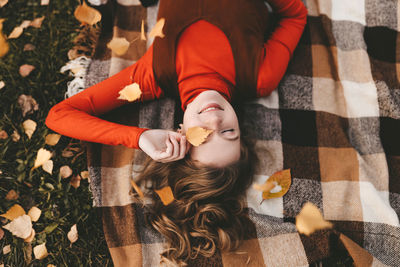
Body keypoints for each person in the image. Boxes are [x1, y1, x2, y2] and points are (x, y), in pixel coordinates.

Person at [46, 0, 307, 264]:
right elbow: (295, 15)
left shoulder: (152, 75)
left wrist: (140, 137)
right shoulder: (260, 76)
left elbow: (59, 116)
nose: (215, 119)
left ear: (180, 133)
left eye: (203, 136)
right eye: (229, 131)